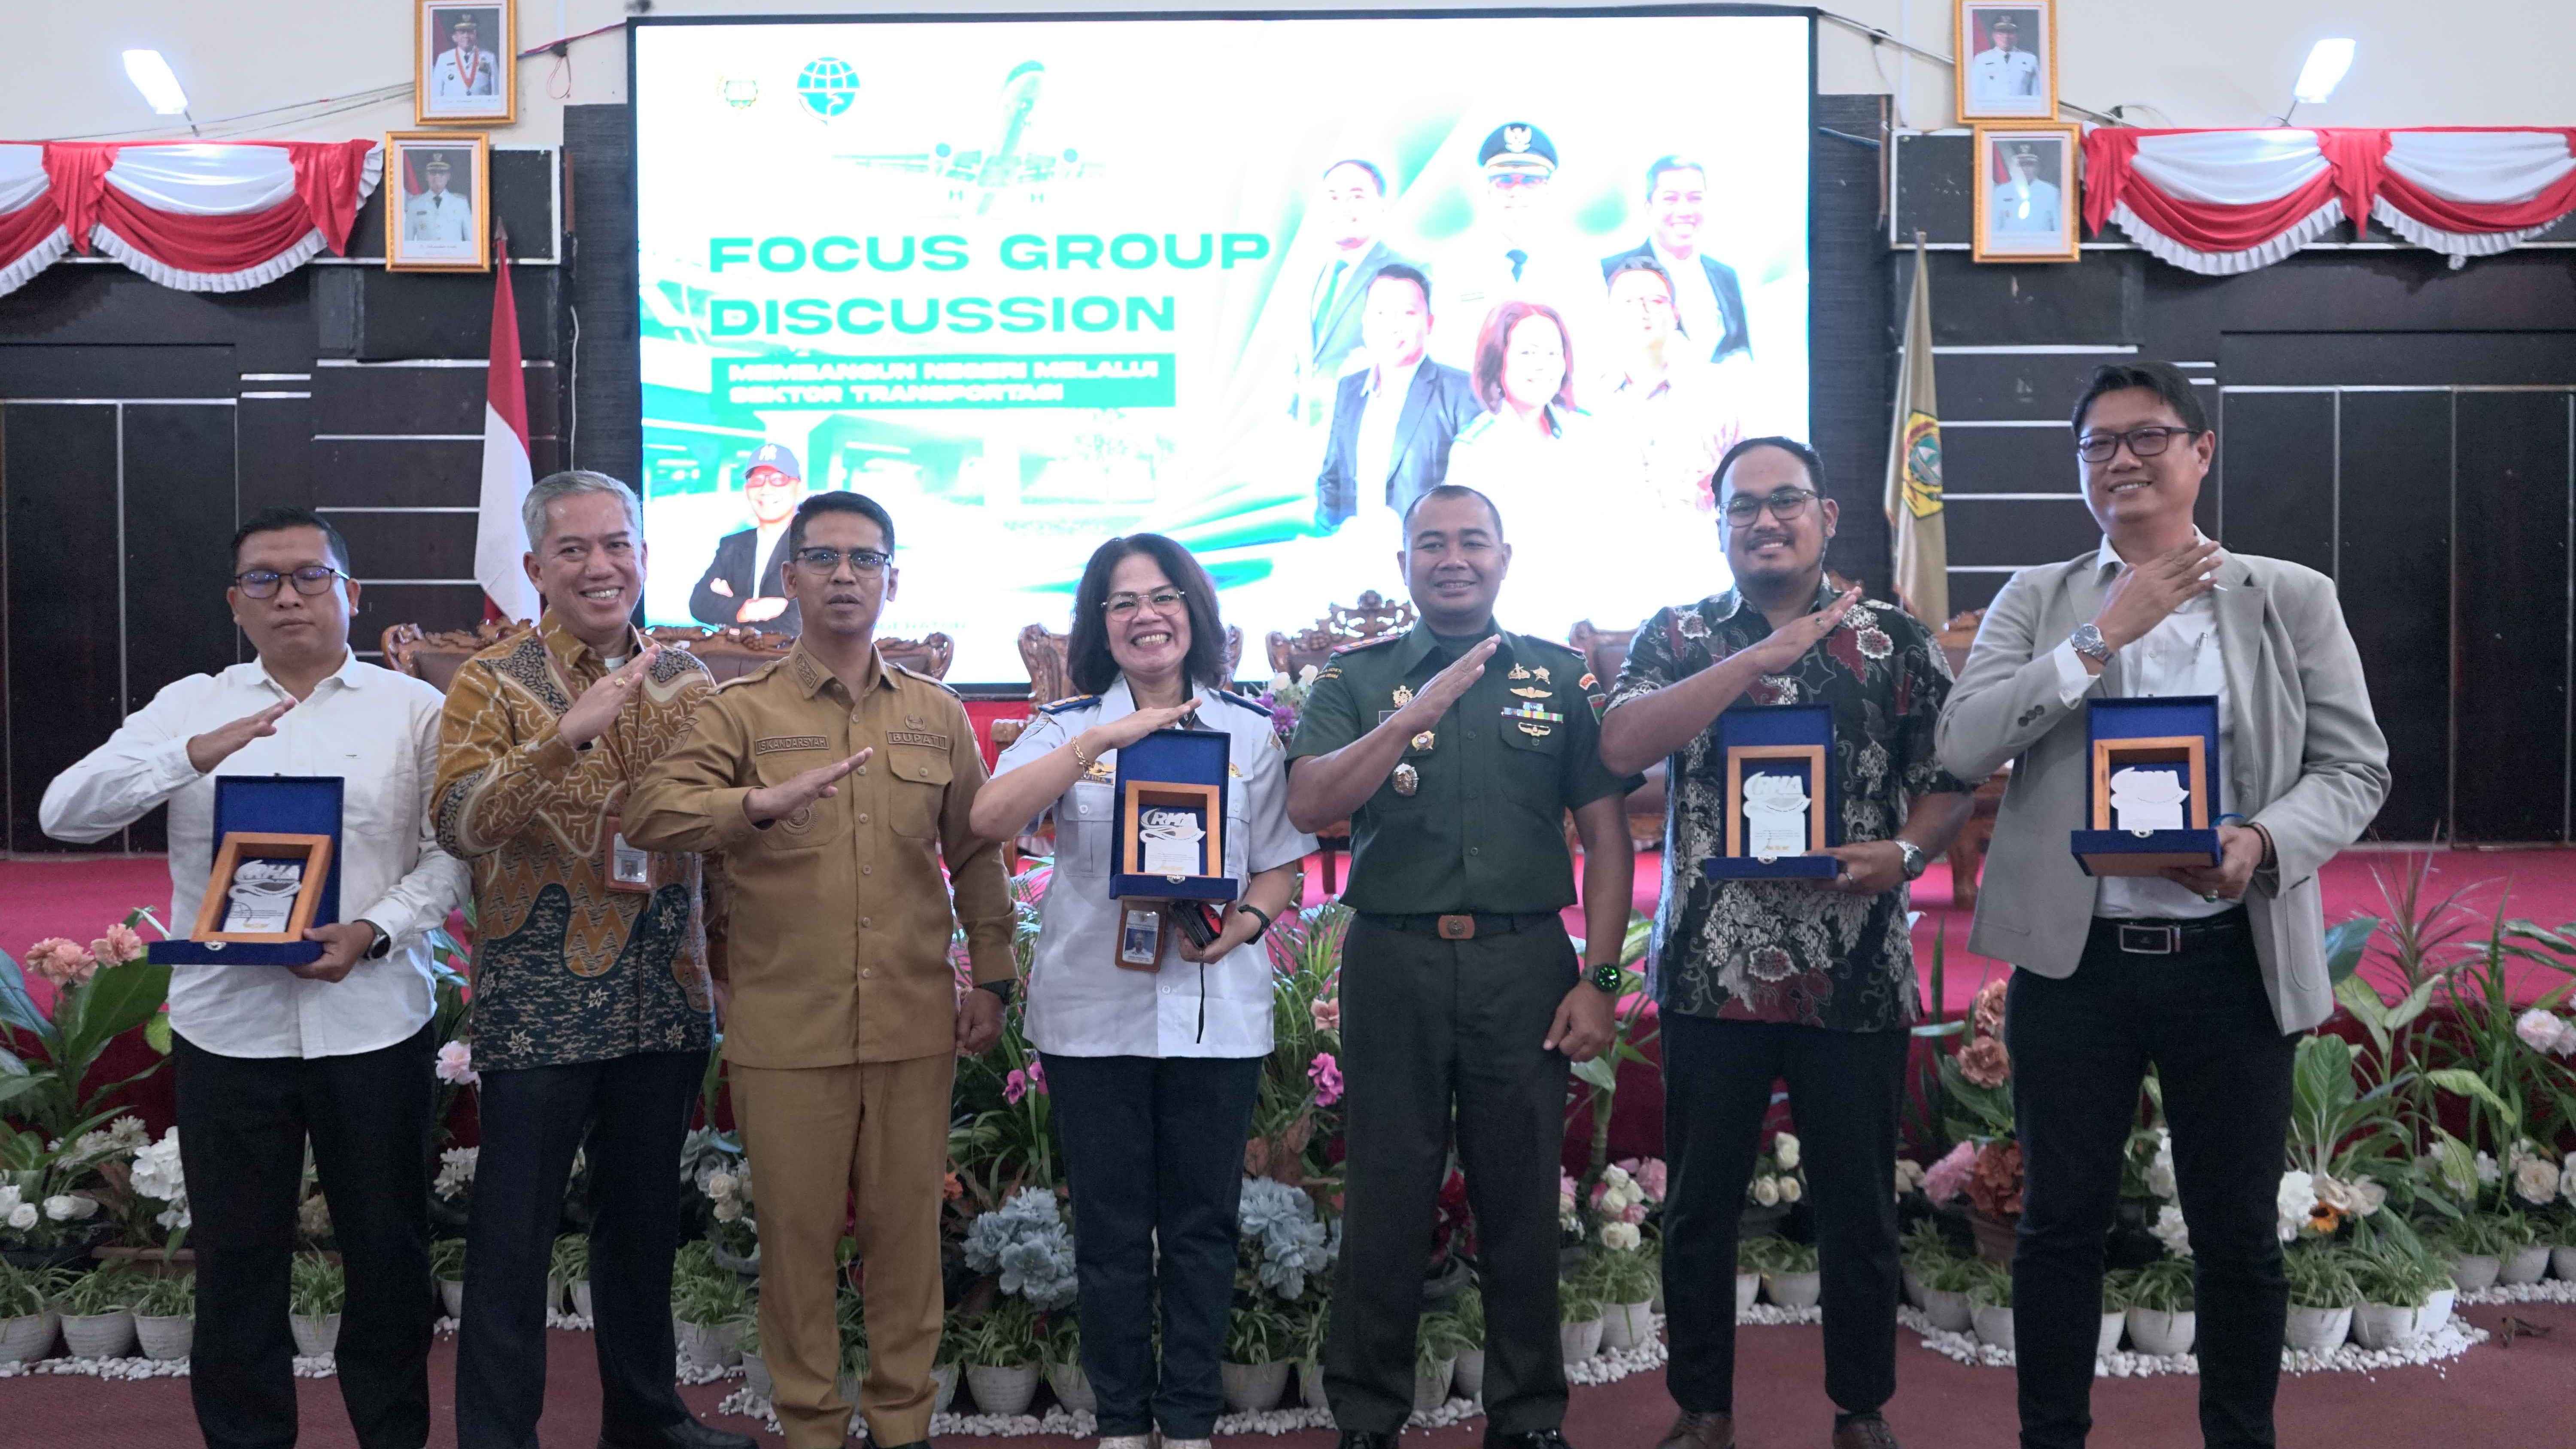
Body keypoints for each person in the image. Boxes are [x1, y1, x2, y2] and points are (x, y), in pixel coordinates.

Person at [1935, 363, 2389, 1449]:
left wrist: (2261, 841)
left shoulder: (2289, 596)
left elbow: (2355, 768)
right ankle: (2053, 1437)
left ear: (2200, 452)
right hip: (2077, 962)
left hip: (2228, 956)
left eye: (2147, 437)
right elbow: (1961, 745)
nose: (2123, 460)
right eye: (2099, 445)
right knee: (2057, 1227)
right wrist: (2105, 631)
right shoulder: (2035, 598)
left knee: (2236, 1236)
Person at [40, 507, 469, 1449]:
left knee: (389, 1256)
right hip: (228, 1027)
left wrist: (372, 928)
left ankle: (392, 1435)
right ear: (236, 602)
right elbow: (64, 811)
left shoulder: (416, 711)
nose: (289, 595)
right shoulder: (188, 704)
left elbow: (452, 858)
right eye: (265, 579)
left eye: (311, 576)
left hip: (373, 1020)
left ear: (352, 594)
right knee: (236, 1262)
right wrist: (191, 755)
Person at [1598, 438, 1977, 1449]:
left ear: (1828, 513)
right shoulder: (1679, 635)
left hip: (1853, 973)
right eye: (1742, 507)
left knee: (1856, 1205)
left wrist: (1906, 851)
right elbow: (1621, 744)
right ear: (1718, 523)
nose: (1765, 521)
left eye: (1786, 502)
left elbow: (1952, 778)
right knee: (1699, 1207)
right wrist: (1751, 662)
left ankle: (1861, 1408)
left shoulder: (1894, 640)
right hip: (1707, 972)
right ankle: (1703, 1408)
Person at [624, 491, 1015, 1449]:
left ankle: (900, 1423)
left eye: (866, 559)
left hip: (914, 1023)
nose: (846, 575)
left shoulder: (936, 715)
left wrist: (995, 977)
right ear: (789, 576)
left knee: (905, 1245)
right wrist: (755, 804)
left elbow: (975, 852)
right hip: (786, 1030)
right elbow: (648, 812)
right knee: (796, 1249)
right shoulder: (742, 711)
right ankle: (808, 1424)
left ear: (892, 577)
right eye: (825, 558)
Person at [1285, 484, 1637, 1449]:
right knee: (1386, 1200)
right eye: (1430, 543)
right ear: (1403, 563)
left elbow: (1608, 840)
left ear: (1503, 558)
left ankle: (1527, 1418)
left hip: (1525, 963)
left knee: (1520, 1199)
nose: (1452, 557)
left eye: (1471, 541)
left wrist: (1600, 981)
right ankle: (1367, 1416)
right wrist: (1409, 716)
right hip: (1393, 961)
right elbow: (1313, 798)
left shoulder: (1561, 678)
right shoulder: (1353, 678)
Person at [971, 535, 1315, 1449]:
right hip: (1093, 1014)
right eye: (1123, 602)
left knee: (1204, 1228)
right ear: (1101, 624)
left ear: (1195, 613)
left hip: (1216, 1012)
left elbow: (1281, 863)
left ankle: (1191, 1420)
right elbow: (989, 818)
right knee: (1113, 1231)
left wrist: (1248, 922)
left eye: (1164, 597)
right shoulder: (1065, 726)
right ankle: (1124, 1421)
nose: (1146, 615)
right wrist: (1099, 741)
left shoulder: (1247, 730)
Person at [432, 471, 753, 1449]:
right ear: (535, 568)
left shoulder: (690, 681)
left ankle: (646, 1418)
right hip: (537, 1009)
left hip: (665, 998)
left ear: (646, 558)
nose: (599, 565)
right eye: (573, 550)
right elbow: (457, 822)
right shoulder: (493, 681)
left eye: (617, 544)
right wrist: (565, 740)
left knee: (644, 1224)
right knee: (512, 1237)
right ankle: (498, 1434)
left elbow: (721, 842)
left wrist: (734, 971)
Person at [1313, 264, 1484, 536]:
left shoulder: (1462, 392)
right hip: (1350, 556)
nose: (1393, 326)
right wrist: (1330, 534)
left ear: (1429, 323)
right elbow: (1331, 479)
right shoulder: (1350, 388)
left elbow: (1474, 496)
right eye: (1381, 313)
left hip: (1424, 563)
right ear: (1365, 321)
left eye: (1407, 313)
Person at [1432, 123, 1601, 369]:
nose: (1517, 192)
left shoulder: (1579, 263)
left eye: (1530, 181)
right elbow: (1443, 350)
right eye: (1505, 181)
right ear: (1489, 188)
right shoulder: (1454, 263)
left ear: (1547, 189)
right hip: (1472, 402)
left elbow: (1593, 347)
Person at [1297, 158, 1419, 423]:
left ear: (1381, 206)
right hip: (1305, 432)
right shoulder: (1311, 274)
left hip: (1372, 427)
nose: (1344, 208)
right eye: (1333, 198)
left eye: (1356, 196)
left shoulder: (1407, 271)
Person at [1598, 157, 1752, 365]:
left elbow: (1741, 348)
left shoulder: (1725, 276)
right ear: (1649, 206)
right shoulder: (1611, 272)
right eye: (1670, 199)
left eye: (1695, 198)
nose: (1684, 211)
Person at [689, 442, 806, 631]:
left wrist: (732, 616)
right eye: (757, 480)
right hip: (736, 661)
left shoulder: (812, 546)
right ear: (747, 490)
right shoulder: (732, 545)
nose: (766, 489)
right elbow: (699, 602)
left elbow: (800, 621)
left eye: (778, 479)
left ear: (798, 487)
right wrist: (747, 609)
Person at [1968, 15, 2041, 102]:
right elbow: (1975, 94)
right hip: (1991, 112)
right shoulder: (1981, 59)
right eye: (2001, 32)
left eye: (2010, 32)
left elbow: (2037, 95)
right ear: (1994, 36)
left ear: (2017, 36)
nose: (2006, 37)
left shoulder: (2030, 59)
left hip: (2022, 112)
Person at [1992, 145, 2062, 235]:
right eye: (2021, 165)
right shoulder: (2001, 192)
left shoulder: (2052, 192)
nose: (2025, 169)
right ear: (2014, 168)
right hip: (2008, 247)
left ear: (2038, 168)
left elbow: (2059, 230)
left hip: (2042, 247)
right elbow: (1994, 229)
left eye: (2030, 164)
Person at [429, 11, 501, 100]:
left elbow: (497, 94)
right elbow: (436, 95)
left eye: (470, 32)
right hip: (453, 111)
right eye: (462, 32)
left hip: (481, 111)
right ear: (454, 37)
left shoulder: (490, 58)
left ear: (476, 36)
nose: (466, 36)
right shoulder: (444, 59)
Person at [405, 156, 474, 244]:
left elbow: (471, 241)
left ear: (448, 176)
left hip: (454, 257)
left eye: (442, 173)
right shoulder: (414, 204)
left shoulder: (461, 203)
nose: (437, 176)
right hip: (424, 258)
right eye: (433, 173)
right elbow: (408, 242)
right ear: (427, 176)